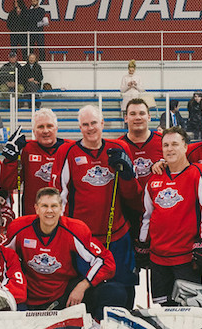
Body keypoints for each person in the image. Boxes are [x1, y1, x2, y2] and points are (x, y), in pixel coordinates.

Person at [52, 105, 139, 305]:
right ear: (79, 127)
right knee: (86, 291)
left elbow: (133, 195)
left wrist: (127, 176)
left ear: (102, 123)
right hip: (83, 239)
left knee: (123, 290)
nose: (90, 128)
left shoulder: (119, 148)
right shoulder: (68, 152)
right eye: (85, 124)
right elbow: (59, 196)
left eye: (94, 123)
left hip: (117, 234)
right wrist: (63, 233)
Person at [4, 187, 122, 320]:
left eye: (54, 206)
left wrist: (83, 286)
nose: (49, 210)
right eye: (44, 206)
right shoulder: (19, 227)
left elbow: (106, 261)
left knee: (115, 291)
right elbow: (1, 256)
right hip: (28, 295)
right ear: (36, 208)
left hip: (63, 295)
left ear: (61, 208)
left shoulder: (75, 229)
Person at [140, 127, 202, 304]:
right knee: (161, 311)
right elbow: (147, 215)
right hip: (158, 259)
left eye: (175, 144)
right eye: (166, 145)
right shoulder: (154, 179)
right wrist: (142, 244)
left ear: (185, 147)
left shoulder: (200, 173)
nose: (170, 149)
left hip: (187, 259)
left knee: (189, 312)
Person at [0, 108, 71, 216]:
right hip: (33, 216)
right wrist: (10, 159)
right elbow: (8, 184)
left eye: (49, 126)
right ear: (34, 131)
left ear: (56, 128)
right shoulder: (26, 149)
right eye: (40, 127)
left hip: (62, 216)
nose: (45, 131)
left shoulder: (70, 148)